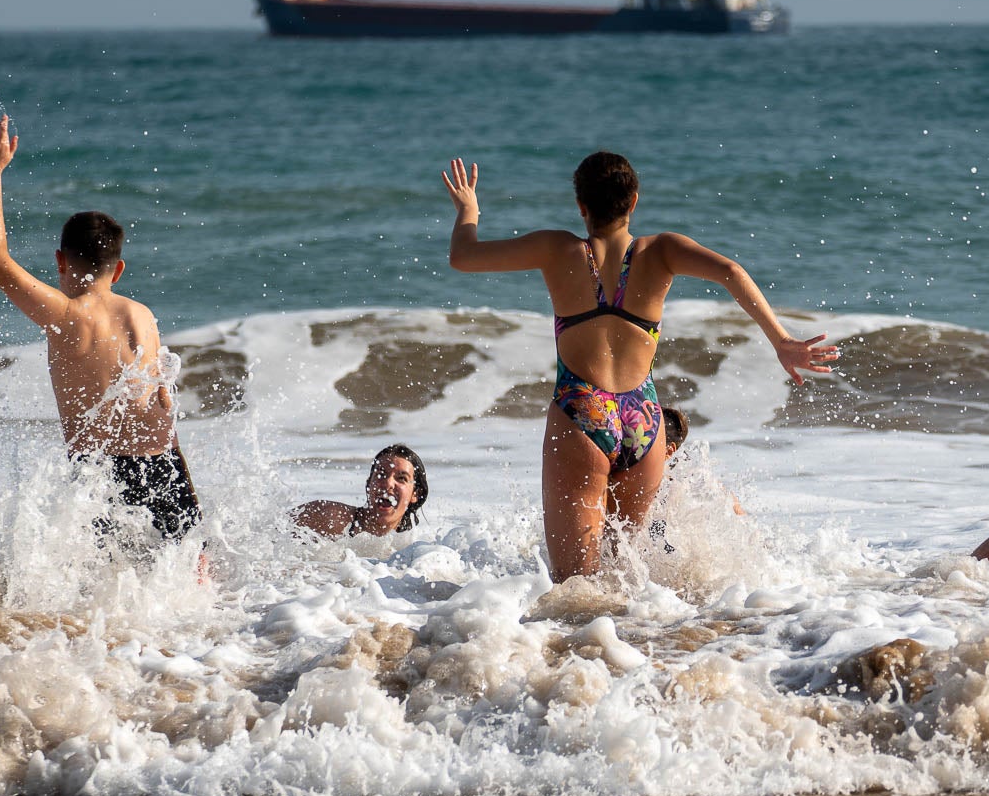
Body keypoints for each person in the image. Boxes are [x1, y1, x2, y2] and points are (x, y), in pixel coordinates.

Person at [442, 153, 838, 582]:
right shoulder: (660, 251)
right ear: (634, 200)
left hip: (582, 411)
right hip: (644, 420)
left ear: (581, 206)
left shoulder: (556, 248)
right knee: (628, 581)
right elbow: (730, 270)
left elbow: (463, 257)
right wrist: (781, 340)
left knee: (577, 588)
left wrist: (469, 210)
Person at [0, 114, 202, 550]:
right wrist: (187, 496)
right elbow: (164, 404)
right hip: (164, 464)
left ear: (61, 262)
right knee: (189, 578)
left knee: (104, 591)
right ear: (118, 269)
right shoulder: (144, 316)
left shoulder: (65, 315)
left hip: (102, 472)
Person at [292, 444, 429, 538]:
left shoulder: (412, 551)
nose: (388, 483)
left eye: (401, 478)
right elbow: (272, 535)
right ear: (369, 484)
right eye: (381, 474)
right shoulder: (328, 518)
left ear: (415, 494)